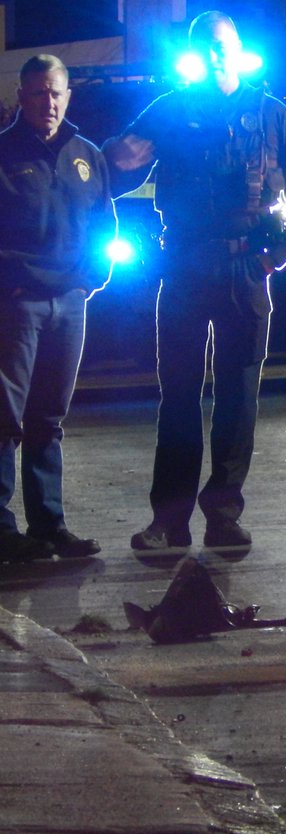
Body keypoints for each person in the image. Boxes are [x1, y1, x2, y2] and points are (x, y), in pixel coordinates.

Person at [104, 10, 286, 552]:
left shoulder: (272, 116)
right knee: (177, 396)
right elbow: (117, 167)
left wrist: (277, 256)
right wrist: (112, 156)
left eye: (223, 47)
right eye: (204, 49)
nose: (214, 57)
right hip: (183, 267)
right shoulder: (171, 111)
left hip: (247, 270)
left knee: (238, 398)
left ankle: (224, 514)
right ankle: (170, 521)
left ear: (240, 50)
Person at [0, 55, 115, 562]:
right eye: (38, 93)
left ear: (68, 96)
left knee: (49, 417)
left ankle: (49, 525)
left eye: (56, 93)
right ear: (21, 96)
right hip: (16, 304)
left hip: (70, 303)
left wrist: (90, 281)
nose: (48, 102)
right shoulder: (3, 154)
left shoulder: (86, 154)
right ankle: (2, 531)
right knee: (4, 418)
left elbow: (105, 226)